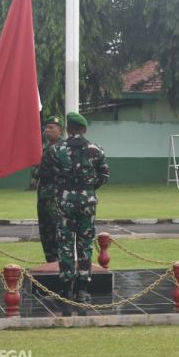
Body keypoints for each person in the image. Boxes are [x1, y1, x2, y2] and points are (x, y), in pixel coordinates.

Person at [52, 112, 109, 312]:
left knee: (65, 244)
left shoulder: (57, 149)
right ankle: (83, 290)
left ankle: (66, 289)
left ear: (68, 129)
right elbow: (104, 175)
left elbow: (50, 175)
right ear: (83, 129)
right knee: (85, 244)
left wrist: (63, 190)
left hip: (65, 202)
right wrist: (89, 189)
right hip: (87, 202)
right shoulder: (96, 150)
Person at [33, 115, 64, 262]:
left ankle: (60, 264)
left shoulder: (63, 149)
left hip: (57, 198)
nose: (47, 131)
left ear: (60, 130)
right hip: (44, 199)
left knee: (57, 232)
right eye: (46, 128)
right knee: (45, 234)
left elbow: (41, 171)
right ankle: (51, 264)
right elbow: (35, 172)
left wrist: (41, 169)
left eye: (51, 128)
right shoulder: (45, 150)